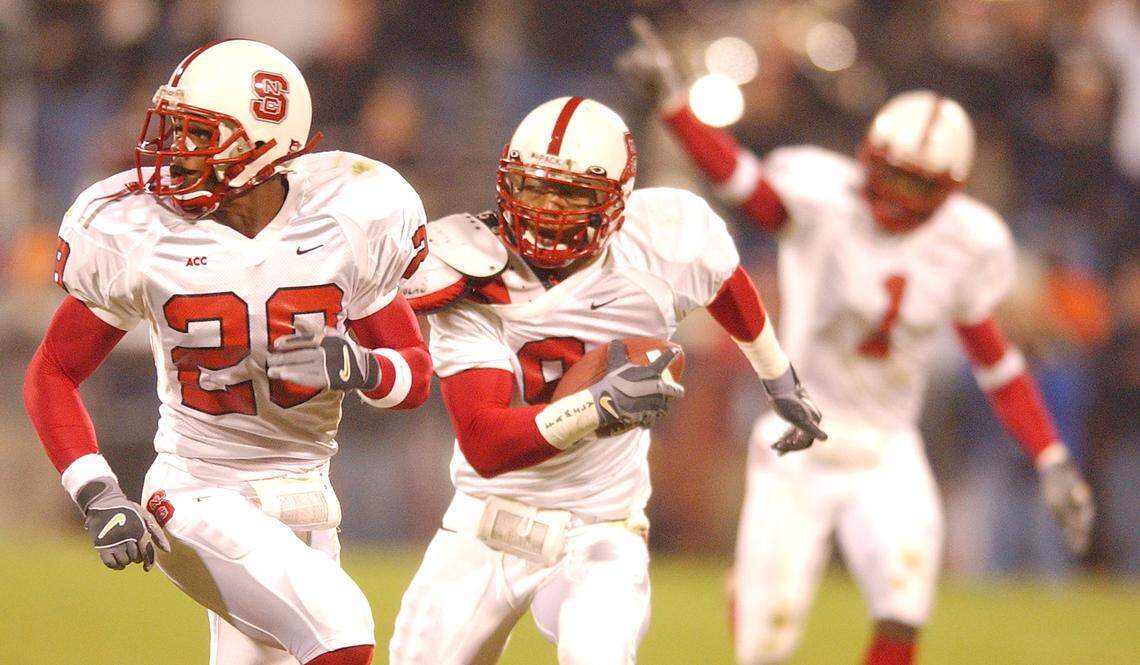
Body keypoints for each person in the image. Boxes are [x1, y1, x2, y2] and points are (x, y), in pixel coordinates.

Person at [617, 17, 1096, 665]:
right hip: (801, 437)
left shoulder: (967, 241)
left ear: (949, 190)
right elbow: (747, 188)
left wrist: (1050, 455)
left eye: (917, 183)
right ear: (868, 158)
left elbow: (996, 360)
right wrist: (675, 108)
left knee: (903, 606)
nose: (897, 193)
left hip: (888, 444)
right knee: (768, 640)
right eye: (892, 173)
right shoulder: (825, 196)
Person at [23, 39, 433, 665]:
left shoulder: (349, 214)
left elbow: (416, 377)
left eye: (197, 133)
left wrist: (363, 367)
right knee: (342, 627)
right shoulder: (138, 230)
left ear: (265, 141)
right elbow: (53, 371)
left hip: (308, 500)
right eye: (175, 130)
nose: (173, 151)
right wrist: (97, 490)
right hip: (195, 497)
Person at [388, 96, 827, 664]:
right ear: (505, 184)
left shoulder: (664, 239)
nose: (547, 208)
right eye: (533, 187)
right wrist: (594, 407)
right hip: (486, 523)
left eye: (571, 193)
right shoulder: (470, 272)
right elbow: (487, 444)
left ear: (617, 201)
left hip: (599, 529)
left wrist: (779, 378)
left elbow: (725, 283)